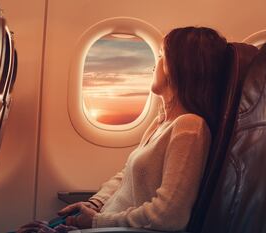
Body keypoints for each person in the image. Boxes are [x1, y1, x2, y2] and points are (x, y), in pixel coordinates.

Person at [17, 26, 228, 232]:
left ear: (181, 66)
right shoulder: (160, 124)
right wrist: (95, 204)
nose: (154, 66)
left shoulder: (190, 127)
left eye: (161, 56)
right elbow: (126, 174)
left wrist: (96, 222)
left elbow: (169, 216)